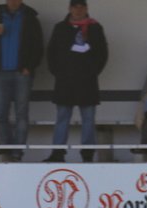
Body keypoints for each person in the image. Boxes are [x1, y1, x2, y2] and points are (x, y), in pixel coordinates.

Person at [43, 0, 108, 163]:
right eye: (75, 7)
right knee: (62, 117)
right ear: (69, 8)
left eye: (81, 7)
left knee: (88, 119)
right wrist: (57, 72)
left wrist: (93, 72)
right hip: (65, 80)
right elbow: (51, 52)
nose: (78, 10)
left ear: (86, 8)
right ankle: (57, 153)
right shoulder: (61, 27)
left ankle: (87, 154)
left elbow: (102, 53)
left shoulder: (95, 28)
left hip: (87, 81)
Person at [0, 0, 43, 162]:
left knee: (21, 115)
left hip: (21, 74)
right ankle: (7, 148)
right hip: (1, 73)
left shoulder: (30, 18)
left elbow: (39, 46)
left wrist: (29, 67)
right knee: (0, 114)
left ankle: (17, 153)